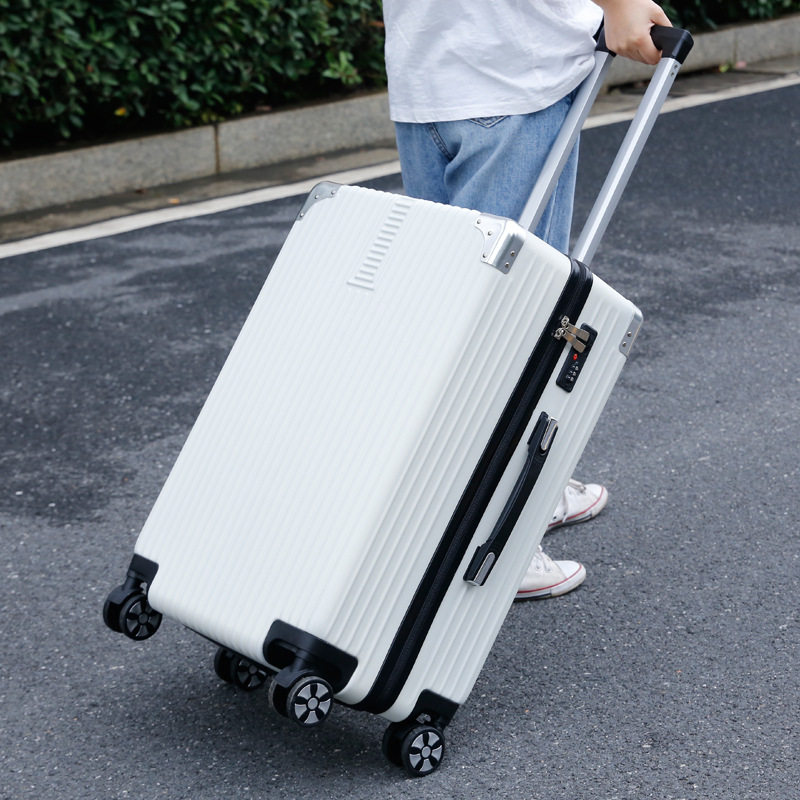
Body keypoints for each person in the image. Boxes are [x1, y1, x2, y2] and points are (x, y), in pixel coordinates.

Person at [381, 0, 671, 599]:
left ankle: (526, 487)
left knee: (458, 315)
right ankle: (497, 535)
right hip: (511, 76)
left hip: (425, 76)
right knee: (517, 325)